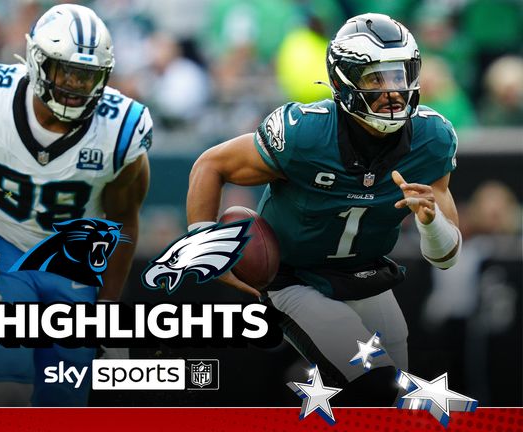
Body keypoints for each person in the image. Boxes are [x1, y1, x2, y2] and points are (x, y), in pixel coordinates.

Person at [186, 13, 461, 405]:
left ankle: (308, 391)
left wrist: (431, 223)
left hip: (363, 276)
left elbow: (447, 257)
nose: (393, 92)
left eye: (399, 75)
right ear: (342, 81)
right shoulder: (304, 133)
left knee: (396, 392)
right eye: (375, 79)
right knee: (375, 383)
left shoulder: (431, 139)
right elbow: (211, 165)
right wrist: (204, 244)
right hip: (295, 278)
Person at [0, 3, 152, 407]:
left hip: (74, 265)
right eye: (66, 71)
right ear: (37, 62)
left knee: (63, 406)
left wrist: (107, 313)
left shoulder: (121, 127)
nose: (75, 85)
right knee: (15, 391)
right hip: (2, 248)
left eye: (88, 76)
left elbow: (124, 220)